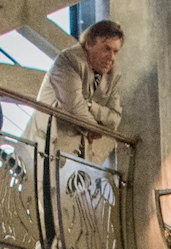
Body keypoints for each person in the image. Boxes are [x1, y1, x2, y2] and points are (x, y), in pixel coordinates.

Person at [35, 20, 125, 163]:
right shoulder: (68, 59)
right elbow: (74, 107)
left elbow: (115, 119)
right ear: (89, 44)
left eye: (115, 51)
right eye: (106, 49)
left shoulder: (112, 75)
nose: (112, 57)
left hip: (80, 157)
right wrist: (95, 128)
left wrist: (90, 106)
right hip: (46, 149)